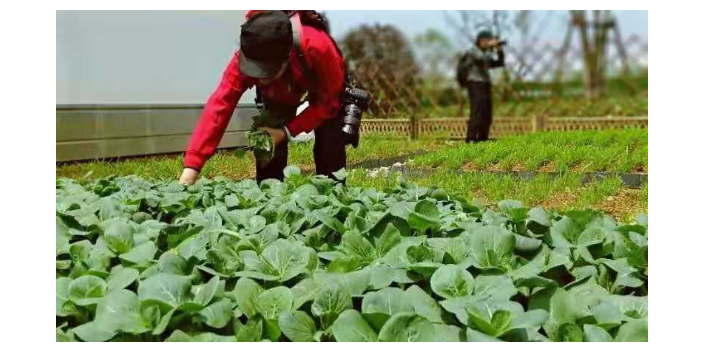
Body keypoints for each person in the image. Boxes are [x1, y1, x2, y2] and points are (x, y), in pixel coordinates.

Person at [179, 10, 347, 185]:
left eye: (267, 72)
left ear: (287, 57)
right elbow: (220, 105)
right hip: (280, 93)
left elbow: (328, 103)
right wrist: (192, 167)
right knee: (268, 140)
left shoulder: (319, 47)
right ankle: (270, 197)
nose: (260, 78)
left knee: (330, 143)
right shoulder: (248, 53)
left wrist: (287, 132)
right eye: (255, 71)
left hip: (324, 88)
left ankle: (333, 195)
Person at [456, 30, 505, 143]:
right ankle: (471, 139)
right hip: (475, 83)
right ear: (480, 40)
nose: (489, 42)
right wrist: (491, 47)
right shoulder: (473, 51)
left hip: (485, 84)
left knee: (487, 113)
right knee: (477, 111)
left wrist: (499, 50)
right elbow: (482, 58)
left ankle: (483, 139)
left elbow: (499, 63)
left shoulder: (485, 52)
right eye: (487, 40)